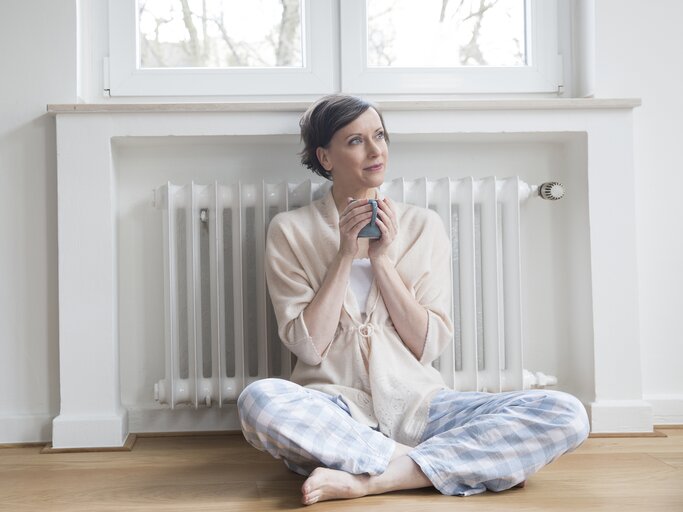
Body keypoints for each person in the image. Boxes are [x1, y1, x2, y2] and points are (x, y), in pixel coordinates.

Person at [237, 94, 590, 506]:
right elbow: (309, 348)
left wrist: (381, 260)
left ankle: (373, 479)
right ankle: (439, 465)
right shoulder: (290, 230)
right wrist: (345, 255)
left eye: (380, 136)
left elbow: (428, 345)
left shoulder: (424, 226)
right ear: (325, 157)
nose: (375, 151)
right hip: (334, 414)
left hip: (423, 407)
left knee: (566, 411)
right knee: (259, 401)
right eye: (355, 141)